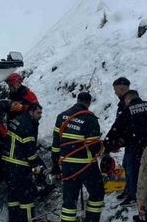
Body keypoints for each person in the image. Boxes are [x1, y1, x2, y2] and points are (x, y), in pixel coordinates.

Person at [51, 92, 105, 222]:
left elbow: (55, 144)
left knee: (69, 201)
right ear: (89, 103)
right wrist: (103, 149)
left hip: (67, 165)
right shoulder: (90, 119)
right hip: (85, 165)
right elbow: (93, 146)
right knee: (97, 194)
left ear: (77, 100)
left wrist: (55, 166)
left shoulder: (61, 117)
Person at [104, 90, 147, 207]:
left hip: (135, 147)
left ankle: (134, 196)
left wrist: (106, 144)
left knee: (133, 171)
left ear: (127, 99)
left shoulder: (128, 111)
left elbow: (116, 128)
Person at [1, 103, 43, 222]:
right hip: (18, 165)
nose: (41, 116)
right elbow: (29, 150)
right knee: (26, 198)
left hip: (8, 163)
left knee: (13, 198)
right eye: (38, 113)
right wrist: (36, 167)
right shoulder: (27, 125)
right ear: (31, 112)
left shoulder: (18, 120)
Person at [105, 77, 131, 200]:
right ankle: (129, 190)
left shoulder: (128, 104)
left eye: (115, 90)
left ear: (121, 88)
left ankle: (132, 193)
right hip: (129, 141)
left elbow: (121, 124)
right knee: (127, 165)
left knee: (131, 167)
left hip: (133, 142)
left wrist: (112, 141)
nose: (115, 93)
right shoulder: (124, 103)